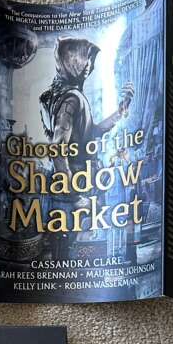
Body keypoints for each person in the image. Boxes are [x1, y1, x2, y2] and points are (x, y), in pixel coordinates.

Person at [38, 38, 134, 259]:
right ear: (71, 61)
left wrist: (120, 111)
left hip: (69, 184)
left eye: (90, 60)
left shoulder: (55, 95)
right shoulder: (72, 99)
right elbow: (57, 149)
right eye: (85, 60)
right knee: (71, 251)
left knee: (67, 248)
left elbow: (91, 132)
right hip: (73, 185)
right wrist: (74, 195)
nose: (89, 66)